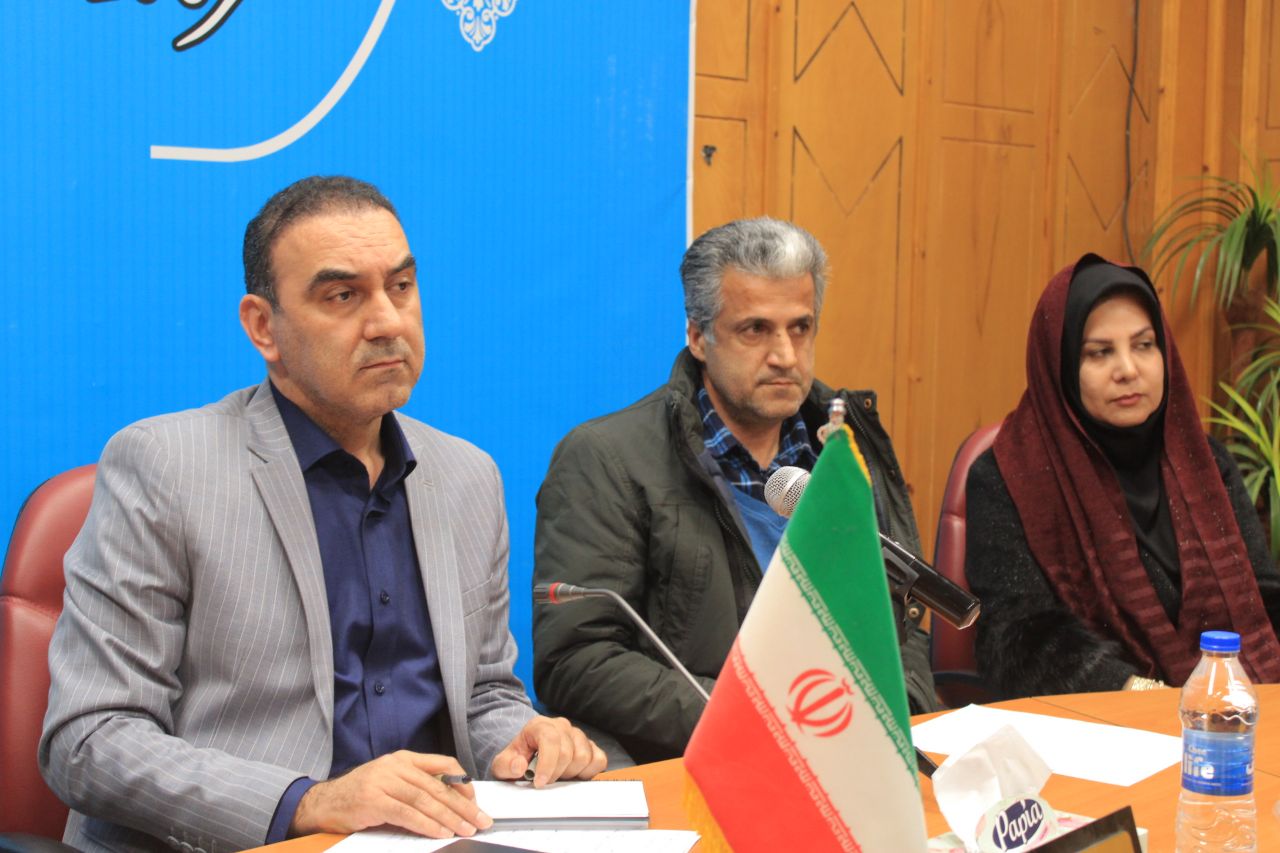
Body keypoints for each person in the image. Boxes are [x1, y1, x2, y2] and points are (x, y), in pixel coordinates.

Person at [39, 176, 605, 853]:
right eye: (343, 296)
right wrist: (308, 802)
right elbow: (91, 738)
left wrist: (521, 738)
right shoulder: (164, 466)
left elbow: (483, 694)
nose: (388, 322)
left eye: (401, 287)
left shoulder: (467, 475)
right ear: (264, 326)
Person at [532, 217, 939, 764]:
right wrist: (759, 723)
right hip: (702, 763)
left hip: (851, 760)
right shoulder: (606, 459)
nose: (785, 356)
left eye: (800, 328)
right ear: (698, 337)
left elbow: (902, 624)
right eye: (755, 330)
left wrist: (898, 713)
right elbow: (577, 660)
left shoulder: (848, 452)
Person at [965, 253, 1280, 699]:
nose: (1128, 370)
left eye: (1144, 345)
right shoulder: (1008, 477)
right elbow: (1016, 638)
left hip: (1227, 713)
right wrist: (1138, 693)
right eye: (1100, 352)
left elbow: (1261, 600)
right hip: (1095, 720)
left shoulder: (1207, 463)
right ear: (1061, 365)